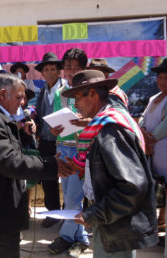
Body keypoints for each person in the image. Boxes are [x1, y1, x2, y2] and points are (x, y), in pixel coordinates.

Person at [0, 73, 74, 258]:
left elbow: (10, 150)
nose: (23, 102)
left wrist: (23, 135)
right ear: (2, 94)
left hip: (3, 209)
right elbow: (10, 161)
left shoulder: (0, 118)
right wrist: (51, 165)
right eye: (19, 96)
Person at [62, 70, 158, 258]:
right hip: (110, 220)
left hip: (117, 224)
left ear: (93, 93)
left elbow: (132, 186)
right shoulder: (103, 124)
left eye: (77, 97)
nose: (75, 105)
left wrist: (95, 214)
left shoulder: (111, 129)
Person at [48, 48, 90, 256]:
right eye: (68, 67)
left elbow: (95, 121)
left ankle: (65, 237)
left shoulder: (90, 91)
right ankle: (80, 238)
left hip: (80, 149)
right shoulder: (59, 91)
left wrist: (82, 122)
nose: (71, 72)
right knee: (69, 195)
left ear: (85, 68)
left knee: (74, 197)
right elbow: (56, 120)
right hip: (62, 148)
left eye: (76, 68)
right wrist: (53, 130)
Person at [138, 58, 167, 248]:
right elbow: (142, 118)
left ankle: (162, 222)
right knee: (158, 186)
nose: (162, 81)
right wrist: (141, 133)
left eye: (166, 78)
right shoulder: (153, 98)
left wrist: (151, 138)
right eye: (160, 77)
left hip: (163, 149)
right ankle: (159, 221)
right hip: (152, 151)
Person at [35, 52, 66, 228]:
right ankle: (52, 213)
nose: (50, 72)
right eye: (46, 69)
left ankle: (67, 215)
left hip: (63, 142)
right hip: (46, 141)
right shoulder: (42, 92)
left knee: (68, 179)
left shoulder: (66, 91)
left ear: (59, 71)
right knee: (48, 178)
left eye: (53, 69)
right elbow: (39, 115)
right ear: (42, 73)